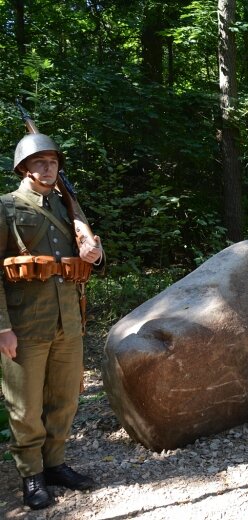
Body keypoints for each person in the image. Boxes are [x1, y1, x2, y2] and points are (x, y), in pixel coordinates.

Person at [0, 132, 104, 509]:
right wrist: (2, 327)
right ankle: (31, 475)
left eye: (53, 162)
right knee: (25, 404)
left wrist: (95, 252)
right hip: (24, 322)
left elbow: (89, 256)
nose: (48, 168)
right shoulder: (6, 207)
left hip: (67, 319)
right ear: (24, 169)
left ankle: (55, 463)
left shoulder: (66, 207)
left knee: (63, 399)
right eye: (40, 162)